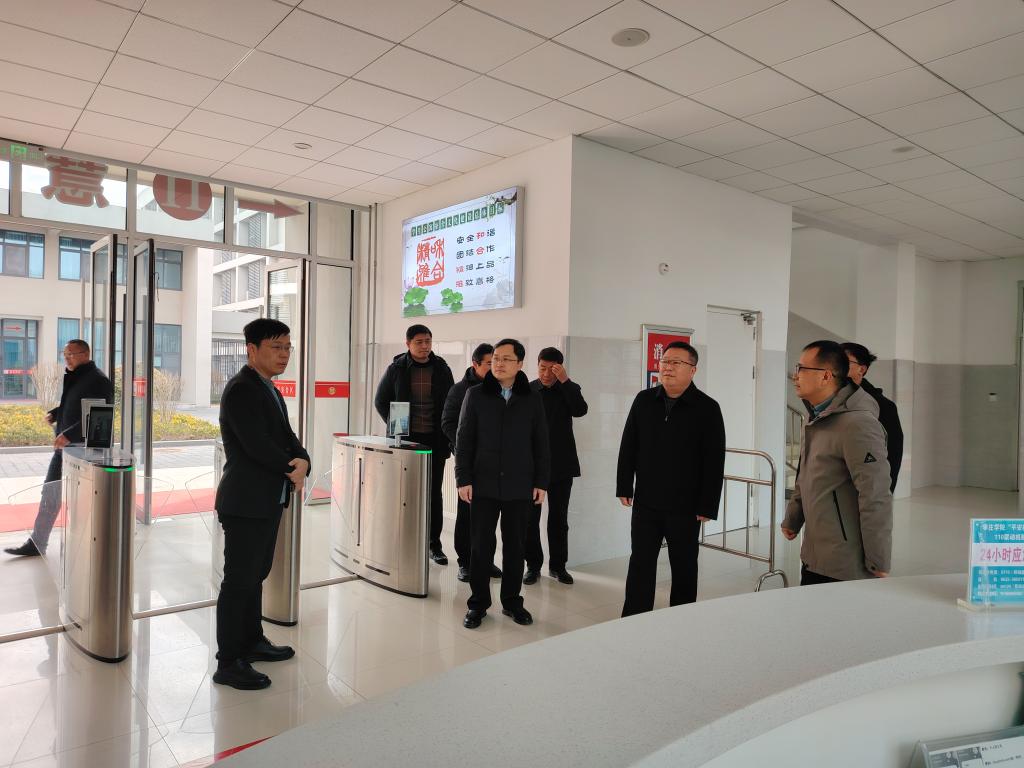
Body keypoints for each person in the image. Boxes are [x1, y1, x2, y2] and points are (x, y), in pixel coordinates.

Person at [213, 318, 309, 691]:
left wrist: (304, 460)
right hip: (245, 501)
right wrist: (292, 467)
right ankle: (228, 661)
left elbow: (287, 436)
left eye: (287, 347)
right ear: (252, 350)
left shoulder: (268, 388)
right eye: (276, 347)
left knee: (256, 576)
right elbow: (256, 446)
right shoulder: (241, 389)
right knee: (239, 581)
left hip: (266, 499)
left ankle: (252, 641)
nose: (284, 354)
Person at [617, 341, 725, 616]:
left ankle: (682, 618)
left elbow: (714, 460)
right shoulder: (644, 400)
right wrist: (624, 484)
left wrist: (708, 504)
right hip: (646, 501)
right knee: (640, 561)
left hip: (686, 506)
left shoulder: (707, 408)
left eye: (676, 362)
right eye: (664, 362)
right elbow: (629, 444)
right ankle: (634, 617)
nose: (667, 367)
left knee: (684, 564)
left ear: (693, 370)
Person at [782, 340, 893, 585]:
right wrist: (793, 517)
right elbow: (806, 474)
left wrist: (878, 559)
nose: (795, 376)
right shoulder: (817, 417)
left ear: (826, 376)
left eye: (801, 369)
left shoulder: (858, 424)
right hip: (815, 552)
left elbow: (875, 494)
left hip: (844, 562)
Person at [456, 339, 550, 629]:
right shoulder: (475, 395)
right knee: (480, 547)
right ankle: (477, 604)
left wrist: (541, 481)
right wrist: (463, 478)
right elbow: (464, 439)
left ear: (520, 363)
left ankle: (512, 602)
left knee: (515, 547)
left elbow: (541, 443)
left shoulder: (532, 397)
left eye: (506, 359)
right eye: (496, 358)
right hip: (482, 484)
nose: (498, 363)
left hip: (520, 485)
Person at [5, 339, 112, 557]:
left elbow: (100, 416)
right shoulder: (76, 377)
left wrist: (69, 434)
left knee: (80, 498)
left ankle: (87, 544)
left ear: (85, 354)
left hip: (83, 450)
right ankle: (37, 543)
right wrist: (55, 413)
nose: (67, 358)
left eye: (71, 354)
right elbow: (73, 405)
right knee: (50, 491)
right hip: (65, 447)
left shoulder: (99, 380)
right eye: (65, 354)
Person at [375, 324, 455, 564]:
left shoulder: (441, 368)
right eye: (419, 342)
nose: (424, 346)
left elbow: (451, 403)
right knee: (404, 491)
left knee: (433, 493)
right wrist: (396, 425)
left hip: (435, 440)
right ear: (408, 343)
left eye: (428, 341)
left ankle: (434, 545)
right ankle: (402, 541)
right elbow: (380, 400)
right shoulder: (397, 368)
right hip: (407, 440)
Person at [525, 347, 588, 586]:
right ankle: (533, 566)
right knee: (530, 519)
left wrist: (565, 381)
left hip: (561, 465)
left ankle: (558, 566)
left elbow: (580, 410)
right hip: (532, 466)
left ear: (559, 368)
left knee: (559, 519)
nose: (545, 374)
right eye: (542, 368)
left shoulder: (569, 388)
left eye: (551, 370)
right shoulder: (528, 390)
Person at [441, 343, 501, 583]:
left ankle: (486, 560)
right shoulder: (460, 390)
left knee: (490, 516)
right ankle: (465, 562)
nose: (495, 367)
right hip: (469, 462)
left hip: (495, 463)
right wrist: (466, 444)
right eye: (489, 363)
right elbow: (447, 423)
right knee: (467, 515)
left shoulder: (501, 388)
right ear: (475, 364)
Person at [840, 342, 904, 493]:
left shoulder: (883, 406)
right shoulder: (824, 402)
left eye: (843, 362)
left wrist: (885, 494)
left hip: (861, 491)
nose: (836, 366)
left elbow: (893, 454)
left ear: (861, 369)